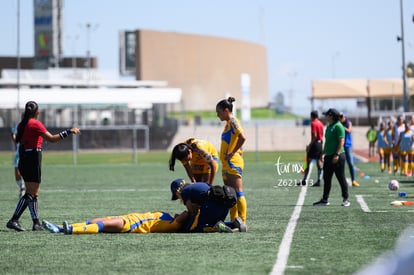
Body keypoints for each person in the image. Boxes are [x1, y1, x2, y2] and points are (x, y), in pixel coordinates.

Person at [6, 101, 81, 232]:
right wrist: (69, 131)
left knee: (33, 193)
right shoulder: (35, 123)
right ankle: (14, 220)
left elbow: (19, 139)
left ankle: (36, 223)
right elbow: (52, 138)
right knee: (31, 193)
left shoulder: (21, 125)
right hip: (32, 158)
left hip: (24, 158)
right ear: (37, 112)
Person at [170, 179, 246, 233]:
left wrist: (183, 223)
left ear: (177, 191)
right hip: (225, 204)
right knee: (216, 223)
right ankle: (234, 223)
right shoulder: (197, 184)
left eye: (176, 196)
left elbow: (193, 212)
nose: (178, 198)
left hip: (211, 205)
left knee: (198, 228)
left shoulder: (184, 192)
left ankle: (218, 227)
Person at [216, 97, 247, 223]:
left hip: (232, 162)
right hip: (226, 163)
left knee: (238, 192)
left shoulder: (234, 121)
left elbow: (243, 137)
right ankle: (234, 220)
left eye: (219, 112)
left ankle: (242, 221)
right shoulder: (228, 124)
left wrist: (233, 152)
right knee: (230, 193)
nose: (217, 115)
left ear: (226, 110)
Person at [313, 108, 350, 207]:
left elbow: (341, 141)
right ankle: (325, 200)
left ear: (331, 116)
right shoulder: (329, 127)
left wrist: (337, 154)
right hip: (329, 157)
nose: (325, 117)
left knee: (340, 177)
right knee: (327, 178)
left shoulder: (338, 126)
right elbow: (327, 142)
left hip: (337, 156)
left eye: (327, 115)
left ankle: (345, 199)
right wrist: (323, 153)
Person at [41, 211, 189, 234]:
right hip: (126, 216)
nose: (179, 213)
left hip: (129, 224)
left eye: (181, 214)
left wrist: (187, 214)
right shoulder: (167, 216)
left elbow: (178, 223)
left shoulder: (171, 224)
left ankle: (71, 231)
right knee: (94, 221)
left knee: (101, 225)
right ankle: (59, 228)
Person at [300, 110, 324, 186]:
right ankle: (319, 180)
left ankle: (304, 180)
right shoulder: (321, 123)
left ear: (312, 116)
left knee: (308, 161)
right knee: (319, 162)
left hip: (315, 144)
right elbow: (321, 135)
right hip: (320, 143)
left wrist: (310, 145)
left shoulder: (313, 123)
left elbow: (314, 136)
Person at [340, 112, 359, 187]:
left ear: (345, 117)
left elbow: (349, 130)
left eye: (342, 116)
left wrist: (342, 126)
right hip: (341, 146)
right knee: (341, 164)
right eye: (339, 117)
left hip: (348, 146)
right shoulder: (338, 124)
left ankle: (353, 180)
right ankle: (342, 180)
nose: (340, 118)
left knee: (350, 163)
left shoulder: (348, 122)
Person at [11, 122, 26, 198]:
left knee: (26, 171)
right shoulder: (18, 125)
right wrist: (16, 139)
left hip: (28, 152)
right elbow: (13, 135)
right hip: (18, 153)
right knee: (17, 174)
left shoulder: (32, 126)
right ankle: (22, 187)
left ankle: (25, 188)